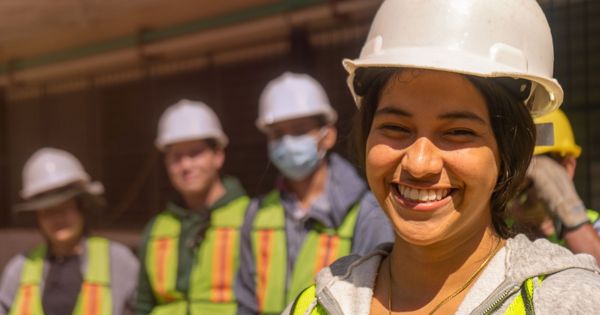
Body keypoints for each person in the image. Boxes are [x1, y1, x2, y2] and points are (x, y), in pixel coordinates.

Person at [287, 0, 600, 314]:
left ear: (507, 151)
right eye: (395, 127)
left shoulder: (566, 302)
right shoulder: (314, 305)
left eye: (458, 132)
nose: (419, 163)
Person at [235, 72, 394, 314]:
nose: (287, 143)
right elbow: (246, 303)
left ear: (327, 135)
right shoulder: (257, 213)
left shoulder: (367, 213)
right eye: (277, 134)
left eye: (299, 131)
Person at [135, 99, 249, 315]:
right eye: (176, 157)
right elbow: (143, 303)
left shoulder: (251, 217)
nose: (186, 166)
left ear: (218, 156)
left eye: (195, 153)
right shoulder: (156, 228)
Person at [0, 147, 139, 315]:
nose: (58, 218)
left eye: (65, 208)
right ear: (37, 218)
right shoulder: (19, 269)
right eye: (48, 211)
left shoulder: (117, 260)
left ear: (82, 208)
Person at [507, 109, 600, 262]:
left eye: (538, 163)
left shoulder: (594, 225)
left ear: (567, 167)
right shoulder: (493, 227)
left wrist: (570, 214)